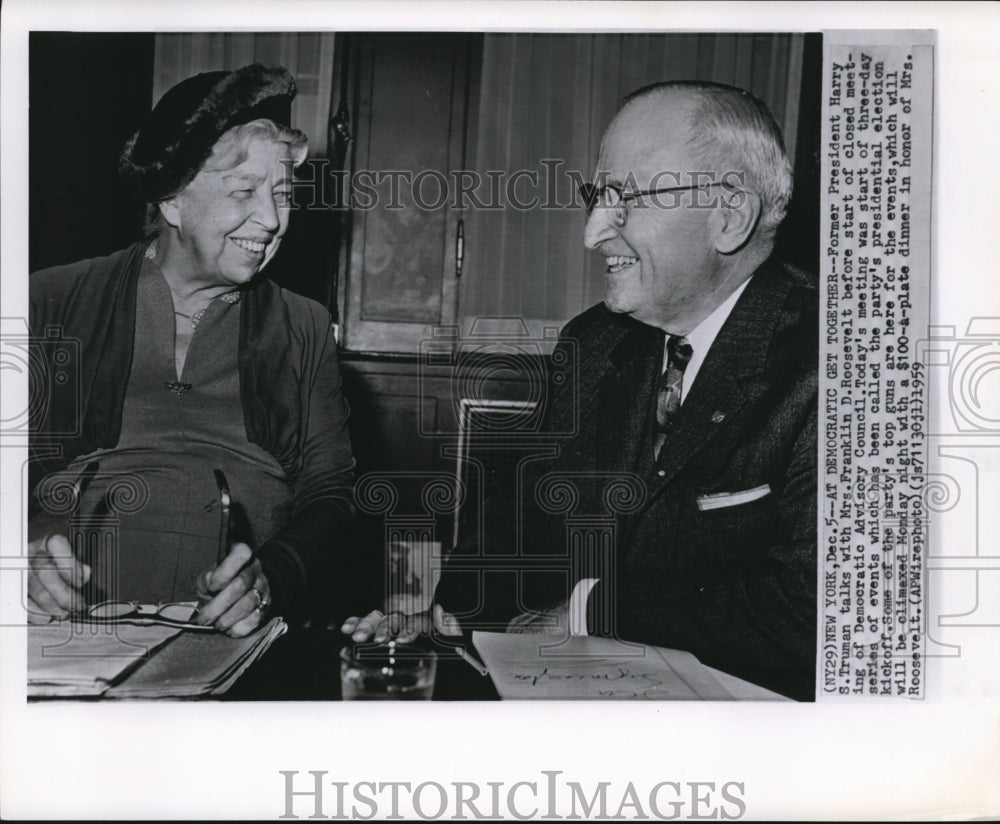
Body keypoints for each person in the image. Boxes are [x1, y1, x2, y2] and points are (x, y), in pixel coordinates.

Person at [435, 81, 818, 700]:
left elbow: (817, 609)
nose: (592, 233)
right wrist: (461, 606)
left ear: (730, 215)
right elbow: (523, 517)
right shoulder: (594, 343)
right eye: (597, 196)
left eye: (626, 199)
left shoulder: (843, 361)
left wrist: (589, 613)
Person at [27, 64, 379, 638]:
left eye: (283, 195)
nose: (271, 220)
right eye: (244, 191)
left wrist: (272, 578)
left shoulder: (304, 326)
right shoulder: (50, 302)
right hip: (57, 632)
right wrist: (20, 558)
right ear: (172, 202)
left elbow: (331, 495)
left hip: (229, 635)